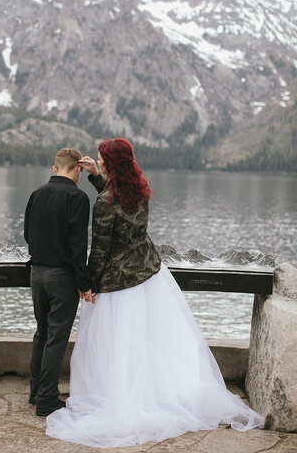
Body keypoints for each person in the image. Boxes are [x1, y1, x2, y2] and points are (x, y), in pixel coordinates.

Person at [46, 138, 264, 448]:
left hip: (119, 282)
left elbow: (101, 248)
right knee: (150, 341)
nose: (98, 161)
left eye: (101, 159)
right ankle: (157, 392)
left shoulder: (105, 202)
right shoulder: (138, 190)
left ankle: (121, 396)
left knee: (116, 344)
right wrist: (97, 177)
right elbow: (116, 203)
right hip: (149, 274)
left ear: (110, 163)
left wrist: (89, 284)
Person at [24, 147, 95, 417]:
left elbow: (27, 234)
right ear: (78, 169)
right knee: (56, 338)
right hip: (62, 277)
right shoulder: (78, 198)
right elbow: (78, 249)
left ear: (55, 169)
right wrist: (84, 284)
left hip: (37, 274)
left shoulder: (36, 193)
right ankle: (47, 401)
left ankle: (36, 392)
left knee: (41, 333)